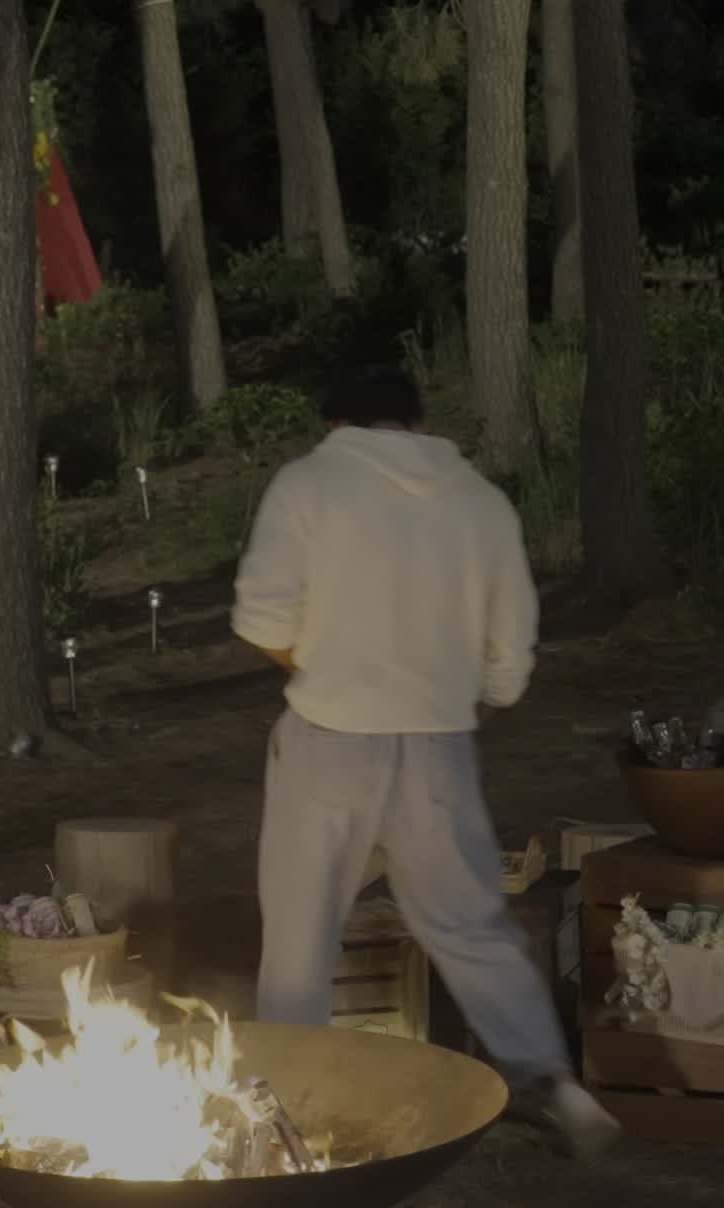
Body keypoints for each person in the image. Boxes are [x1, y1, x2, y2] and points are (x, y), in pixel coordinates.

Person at [232, 366, 621, 1159]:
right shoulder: (481, 502)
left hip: (327, 739)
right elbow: (508, 665)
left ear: (338, 422)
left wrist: (331, 670)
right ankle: (553, 1083)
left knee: (302, 934)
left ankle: (286, 1119)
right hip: (439, 748)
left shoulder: (308, 485)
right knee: (470, 926)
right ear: (418, 422)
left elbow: (262, 619)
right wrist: (443, 696)